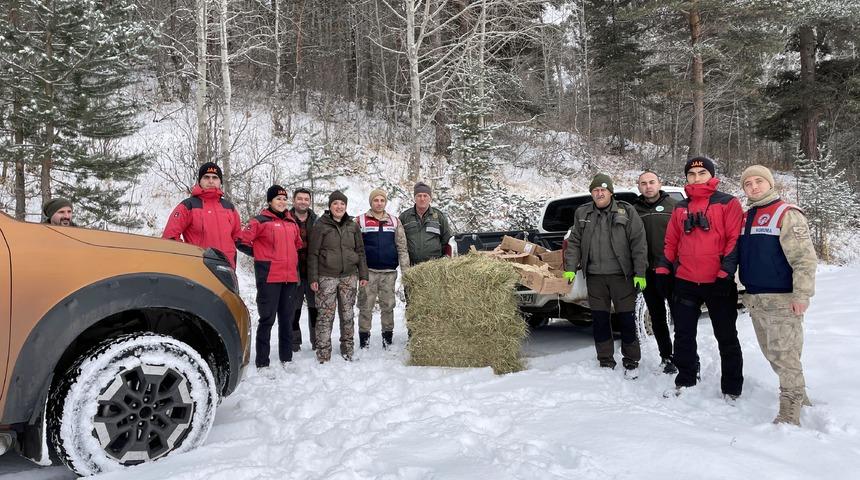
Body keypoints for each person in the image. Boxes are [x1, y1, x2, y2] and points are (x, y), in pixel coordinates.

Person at [655, 156, 744, 400]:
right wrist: (663, 269)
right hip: (685, 281)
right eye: (692, 175)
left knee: (726, 336)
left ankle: (732, 388)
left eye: (701, 173)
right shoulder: (680, 207)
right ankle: (686, 379)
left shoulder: (728, 203)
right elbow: (671, 241)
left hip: (718, 282)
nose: (696, 178)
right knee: (683, 335)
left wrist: (725, 274)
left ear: (711, 176)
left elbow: (734, 240)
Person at [738, 165, 817, 425]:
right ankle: (801, 396)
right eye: (748, 184)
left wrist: (801, 296)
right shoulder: (747, 216)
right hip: (756, 300)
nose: (754, 187)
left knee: (785, 356)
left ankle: (790, 411)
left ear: (771, 184)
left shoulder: (787, 214)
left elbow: (804, 260)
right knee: (775, 355)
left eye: (759, 181)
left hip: (782, 300)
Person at [563, 173, 648, 378]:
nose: (599, 193)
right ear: (592, 193)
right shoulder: (583, 213)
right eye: (595, 190)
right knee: (600, 320)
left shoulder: (626, 211)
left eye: (603, 190)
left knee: (626, 320)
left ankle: (631, 360)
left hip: (622, 277)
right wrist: (570, 267)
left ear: (610, 192)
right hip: (595, 278)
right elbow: (574, 241)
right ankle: (605, 359)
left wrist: (640, 272)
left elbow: (638, 242)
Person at [236, 185, 302, 370]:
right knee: (267, 320)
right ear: (270, 201)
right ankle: (263, 362)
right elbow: (241, 241)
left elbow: (297, 245)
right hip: (269, 278)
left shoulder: (292, 223)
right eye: (278, 198)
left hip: (289, 278)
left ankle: (286, 358)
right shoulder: (260, 221)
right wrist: (261, 256)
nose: (282, 202)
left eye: (284, 199)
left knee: (287, 319)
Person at [308, 190, 369, 363]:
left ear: (346, 206)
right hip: (326, 276)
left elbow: (360, 251)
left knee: (348, 314)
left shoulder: (352, 225)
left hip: (349, 276)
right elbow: (313, 254)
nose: (339, 206)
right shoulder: (321, 225)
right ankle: (323, 352)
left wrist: (363, 273)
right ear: (330, 206)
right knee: (325, 316)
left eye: (342, 204)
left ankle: (348, 349)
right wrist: (313, 278)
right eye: (335, 203)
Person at [634, 171, 678, 374]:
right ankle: (666, 356)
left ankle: (684, 356)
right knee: (658, 316)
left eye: (652, 182)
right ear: (639, 186)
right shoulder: (634, 210)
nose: (648, 186)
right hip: (648, 273)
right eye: (643, 183)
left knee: (679, 317)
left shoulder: (674, 207)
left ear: (659, 183)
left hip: (672, 271)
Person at [356, 188, 411, 349]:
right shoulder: (360, 221)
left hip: (389, 273)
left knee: (388, 306)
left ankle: (387, 339)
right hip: (368, 273)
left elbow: (402, 247)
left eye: (382, 200)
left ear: (385, 202)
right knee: (365, 306)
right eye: (376, 200)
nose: (379, 203)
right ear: (371, 202)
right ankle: (364, 341)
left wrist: (405, 272)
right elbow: (354, 248)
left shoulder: (394, 221)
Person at [163, 162, 242, 268]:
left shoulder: (229, 208)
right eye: (206, 177)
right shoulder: (188, 205)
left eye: (215, 177)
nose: (210, 181)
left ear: (220, 182)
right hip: (199, 270)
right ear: (199, 181)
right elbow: (170, 237)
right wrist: (187, 257)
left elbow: (238, 238)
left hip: (227, 270)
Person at [289, 187, 319, 352]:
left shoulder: (316, 221)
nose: (303, 202)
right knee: (294, 310)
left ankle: (316, 341)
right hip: (293, 273)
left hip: (313, 272)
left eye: (306, 199)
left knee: (315, 309)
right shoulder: (287, 219)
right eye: (299, 199)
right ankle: (294, 342)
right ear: (294, 201)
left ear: (310, 201)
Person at [399, 182, 453, 266]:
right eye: (419, 196)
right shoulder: (404, 217)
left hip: (434, 267)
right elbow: (399, 242)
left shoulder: (439, 216)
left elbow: (446, 241)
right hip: (412, 267)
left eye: (425, 196)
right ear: (415, 198)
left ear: (430, 198)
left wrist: (443, 261)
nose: (422, 198)